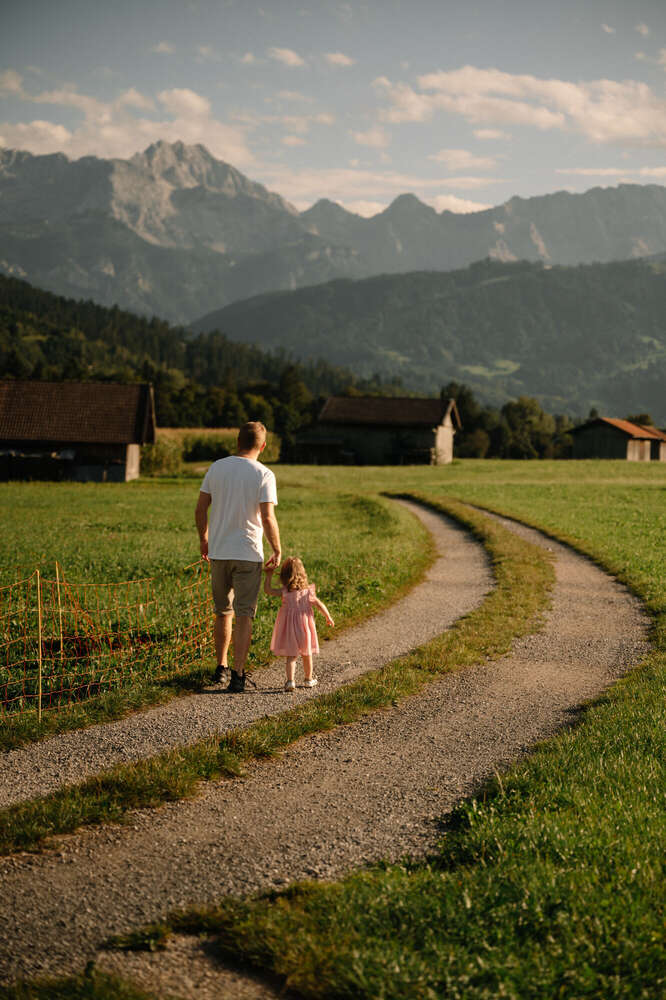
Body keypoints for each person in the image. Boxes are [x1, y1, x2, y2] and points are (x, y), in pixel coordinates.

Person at [195, 421, 281, 693]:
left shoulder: (217, 467)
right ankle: (238, 675)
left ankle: (219, 668)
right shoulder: (264, 474)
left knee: (223, 613)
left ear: (237, 441)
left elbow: (200, 508)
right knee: (245, 615)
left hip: (219, 551)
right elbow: (267, 517)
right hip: (248, 553)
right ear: (263, 446)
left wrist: (204, 539)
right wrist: (277, 549)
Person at [264, 556, 334, 692]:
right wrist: (328, 617)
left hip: (289, 630)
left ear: (284, 575)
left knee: (291, 656)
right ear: (303, 574)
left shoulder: (285, 592)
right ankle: (308, 679)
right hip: (305, 629)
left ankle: (290, 682)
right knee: (307, 654)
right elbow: (319, 604)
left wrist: (268, 575)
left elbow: (268, 590)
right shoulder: (307, 592)